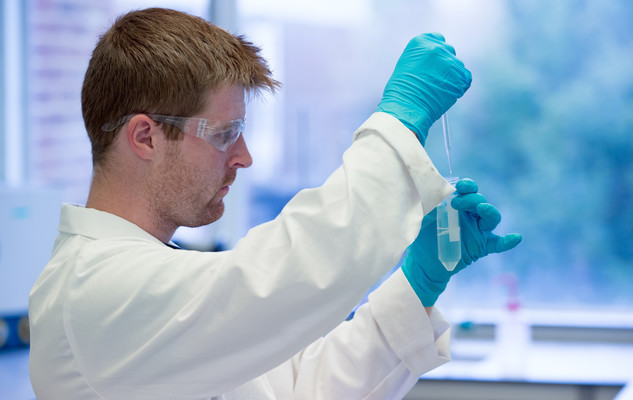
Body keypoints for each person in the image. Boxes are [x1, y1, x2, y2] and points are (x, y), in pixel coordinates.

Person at [28, 7, 521, 400]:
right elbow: (289, 270)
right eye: (225, 134)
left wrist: (418, 285)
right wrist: (399, 122)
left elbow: (303, 390)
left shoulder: (152, 281)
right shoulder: (94, 290)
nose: (243, 157)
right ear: (145, 137)